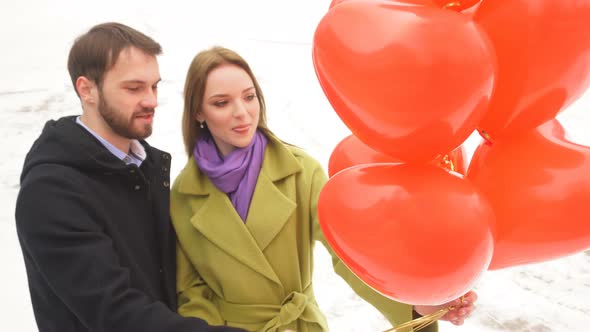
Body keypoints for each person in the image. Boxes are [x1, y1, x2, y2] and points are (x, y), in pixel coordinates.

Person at [170, 46, 477, 332]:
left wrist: (415, 302)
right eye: (222, 103)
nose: (242, 112)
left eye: (249, 96)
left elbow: (348, 257)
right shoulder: (184, 194)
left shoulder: (300, 170)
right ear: (198, 112)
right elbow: (190, 289)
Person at [15, 23, 244, 332]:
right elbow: (116, 314)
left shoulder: (147, 168)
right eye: (134, 88)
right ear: (87, 89)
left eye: (154, 86)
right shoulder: (51, 191)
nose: (151, 100)